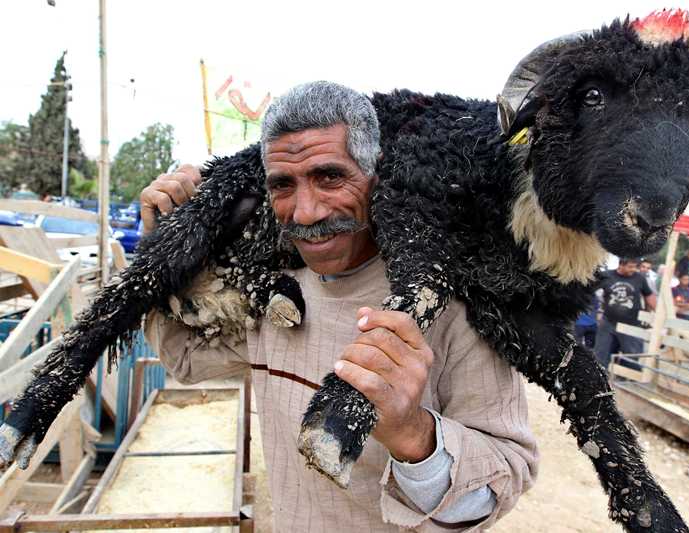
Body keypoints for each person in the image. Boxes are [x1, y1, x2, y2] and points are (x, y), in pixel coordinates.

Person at [141, 82, 536, 532]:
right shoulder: (274, 294)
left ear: (377, 174)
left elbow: (501, 484)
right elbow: (186, 361)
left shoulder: (453, 305)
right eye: (284, 185)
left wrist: (412, 434)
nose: (305, 213)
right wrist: (166, 255)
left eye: (330, 177)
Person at [594, 258, 656, 369]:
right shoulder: (606, 275)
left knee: (632, 356)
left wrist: (658, 311)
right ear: (621, 265)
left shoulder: (639, 278)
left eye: (635, 267)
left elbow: (649, 295)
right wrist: (597, 310)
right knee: (601, 353)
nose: (633, 269)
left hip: (631, 324)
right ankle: (600, 377)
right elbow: (590, 291)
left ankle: (627, 380)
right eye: (630, 267)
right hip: (608, 322)